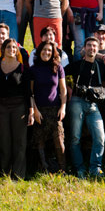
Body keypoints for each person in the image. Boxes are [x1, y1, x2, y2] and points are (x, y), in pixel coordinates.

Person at [0, 38, 32, 179]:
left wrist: (30, 110)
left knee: (20, 142)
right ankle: (5, 173)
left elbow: (28, 92)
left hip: (19, 107)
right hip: (1, 107)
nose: (11, 50)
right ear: (3, 49)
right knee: (4, 142)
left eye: (14, 48)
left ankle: (19, 175)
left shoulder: (23, 68)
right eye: (9, 47)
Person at [65, 37, 105, 178]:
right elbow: (61, 73)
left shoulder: (101, 66)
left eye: (94, 46)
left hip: (94, 104)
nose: (91, 48)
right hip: (77, 100)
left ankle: (95, 167)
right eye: (89, 45)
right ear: (84, 48)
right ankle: (80, 168)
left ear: (98, 49)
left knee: (100, 137)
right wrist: (69, 88)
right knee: (75, 137)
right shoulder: (76, 65)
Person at [29, 41, 67, 172]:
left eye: (49, 50)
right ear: (39, 52)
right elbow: (30, 93)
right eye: (44, 50)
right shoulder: (33, 69)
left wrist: (63, 107)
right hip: (39, 110)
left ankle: (63, 170)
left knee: (59, 141)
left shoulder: (58, 68)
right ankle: (44, 169)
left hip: (55, 109)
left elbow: (63, 90)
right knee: (40, 142)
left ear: (53, 53)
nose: (46, 52)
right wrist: (35, 110)